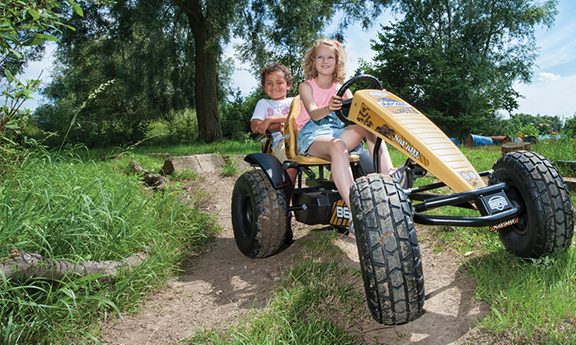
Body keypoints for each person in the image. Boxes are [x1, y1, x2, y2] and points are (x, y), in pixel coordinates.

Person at [297, 39, 405, 238]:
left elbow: (358, 111)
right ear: (313, 62)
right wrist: (329, 107)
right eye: (320, 57)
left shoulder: (342, 88)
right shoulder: (306, 86)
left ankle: (390, 175)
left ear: (337, 62)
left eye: (330, 57)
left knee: (366, 125)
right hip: (313, 135)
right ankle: (355, 214)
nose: (325, 61)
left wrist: (377, 98)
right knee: (337, 145)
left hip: (337, 132)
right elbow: (313, 113)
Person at [250, 63, 299, 190]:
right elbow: (255, 126)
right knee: (291, 163)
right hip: (281, 140)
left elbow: (301, 117)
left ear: (288, 85)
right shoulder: (264, 103)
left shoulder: (295, 100)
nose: (274, 86)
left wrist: (270, 119)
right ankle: (286, 206)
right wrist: (279, 126)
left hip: (302, 137)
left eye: (279, 82)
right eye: (269, 83)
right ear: (263, 86)